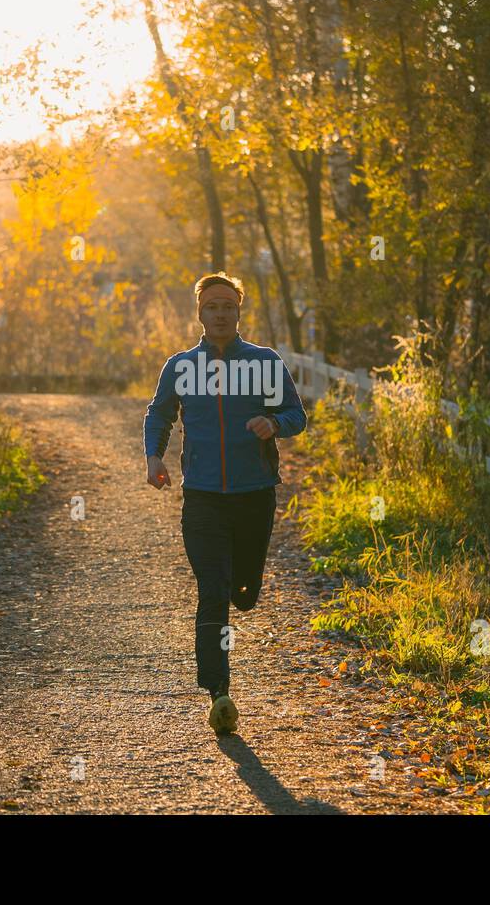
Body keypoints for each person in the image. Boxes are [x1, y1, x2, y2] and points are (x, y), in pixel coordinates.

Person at [143, 272, 307, 735]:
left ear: (239, 312)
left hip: (255, 495)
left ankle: (245, 585)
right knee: (212, 590)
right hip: (203, 498)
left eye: (228, 306)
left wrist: (273, 424)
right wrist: (154, 456)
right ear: (200, 312)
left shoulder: (264, 362)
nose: (220, 314)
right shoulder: (180, 366)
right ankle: (219, 692)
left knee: (245, 593)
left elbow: (297, 415)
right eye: (212, 306)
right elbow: (160, 412)